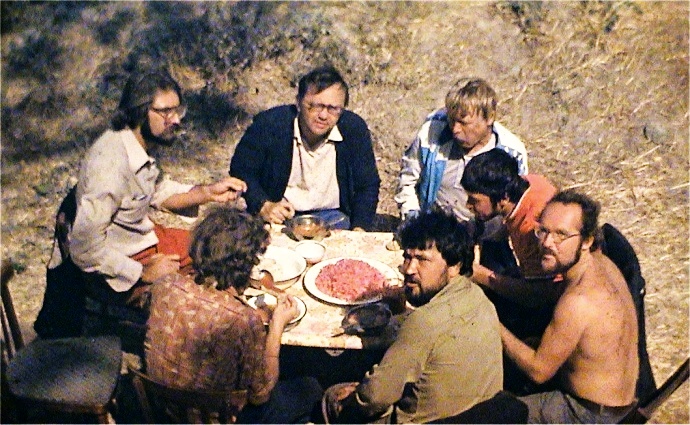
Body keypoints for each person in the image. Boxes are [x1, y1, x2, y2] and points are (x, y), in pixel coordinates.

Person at [46, 66, 247, 315]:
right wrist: (142, 272)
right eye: (165, 111)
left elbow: (157, 190)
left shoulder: (137, 143)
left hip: (142, 239)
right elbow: (84, 247)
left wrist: (207, 193)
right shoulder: (110, 166)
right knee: (209, 279)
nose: (176, 120)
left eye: (177, 110)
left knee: (221, 245)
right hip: (120, 267)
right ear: (139, 112)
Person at [322, 208, 502, 424]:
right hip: (482, 415)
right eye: (407, 257)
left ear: (454, 266)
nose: (408, 269)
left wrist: (358, 393)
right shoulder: (480, 298)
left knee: (332, 395)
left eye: (422, 259)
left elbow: (374, 398)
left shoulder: (424, 322)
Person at [145, 206, 322, 423]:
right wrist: (277, 325)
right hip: (215, 417)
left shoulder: (165, 285)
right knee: (311, 387)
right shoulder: (242, 320)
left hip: (164, 408)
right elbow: (261, 394)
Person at [500, 190, 639, 423]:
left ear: (587, 241)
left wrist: (493, 325)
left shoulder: (578, 300)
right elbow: (538, 296)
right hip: (617, 405)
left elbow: (538, 371)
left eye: (561, 235)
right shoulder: (602, 265)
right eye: (543, 231)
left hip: (586, 413)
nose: (546, 243)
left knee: (490, 415)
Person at [230, 65, 380, 231]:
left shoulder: (353, 129)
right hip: (279, 212)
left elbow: (367, 185)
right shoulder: (270, 125)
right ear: (299, 102)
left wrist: (359, 228)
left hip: (332, 216)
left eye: (333, 109)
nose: (323, 115)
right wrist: (262, 204)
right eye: (315, 106)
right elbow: (242, 169)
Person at [395, 77, 528, 223]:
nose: (455, 129)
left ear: (489, 118)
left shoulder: (512, 152)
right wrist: (414, 221)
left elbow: (515, 206)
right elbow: (407, 181)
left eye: (464, 123)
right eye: (452, 120)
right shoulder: (431, 134)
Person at [461, 149, 559, 338]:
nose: (468, 205)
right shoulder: (532, 183)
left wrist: (480, 274)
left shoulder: (533, 230)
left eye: (475, 200)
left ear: (504, 197)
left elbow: (537, 296)